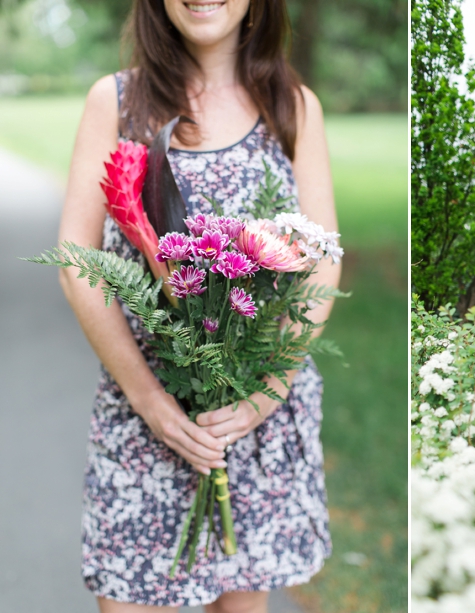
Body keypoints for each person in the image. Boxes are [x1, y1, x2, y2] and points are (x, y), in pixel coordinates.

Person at [57, 0, 340, 611]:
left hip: (249, 425)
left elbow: (325, 258)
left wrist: (266, 390)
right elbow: (78, 261)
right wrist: (147, 398)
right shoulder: (116, 100)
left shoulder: (294, 106)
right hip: (144, 416)